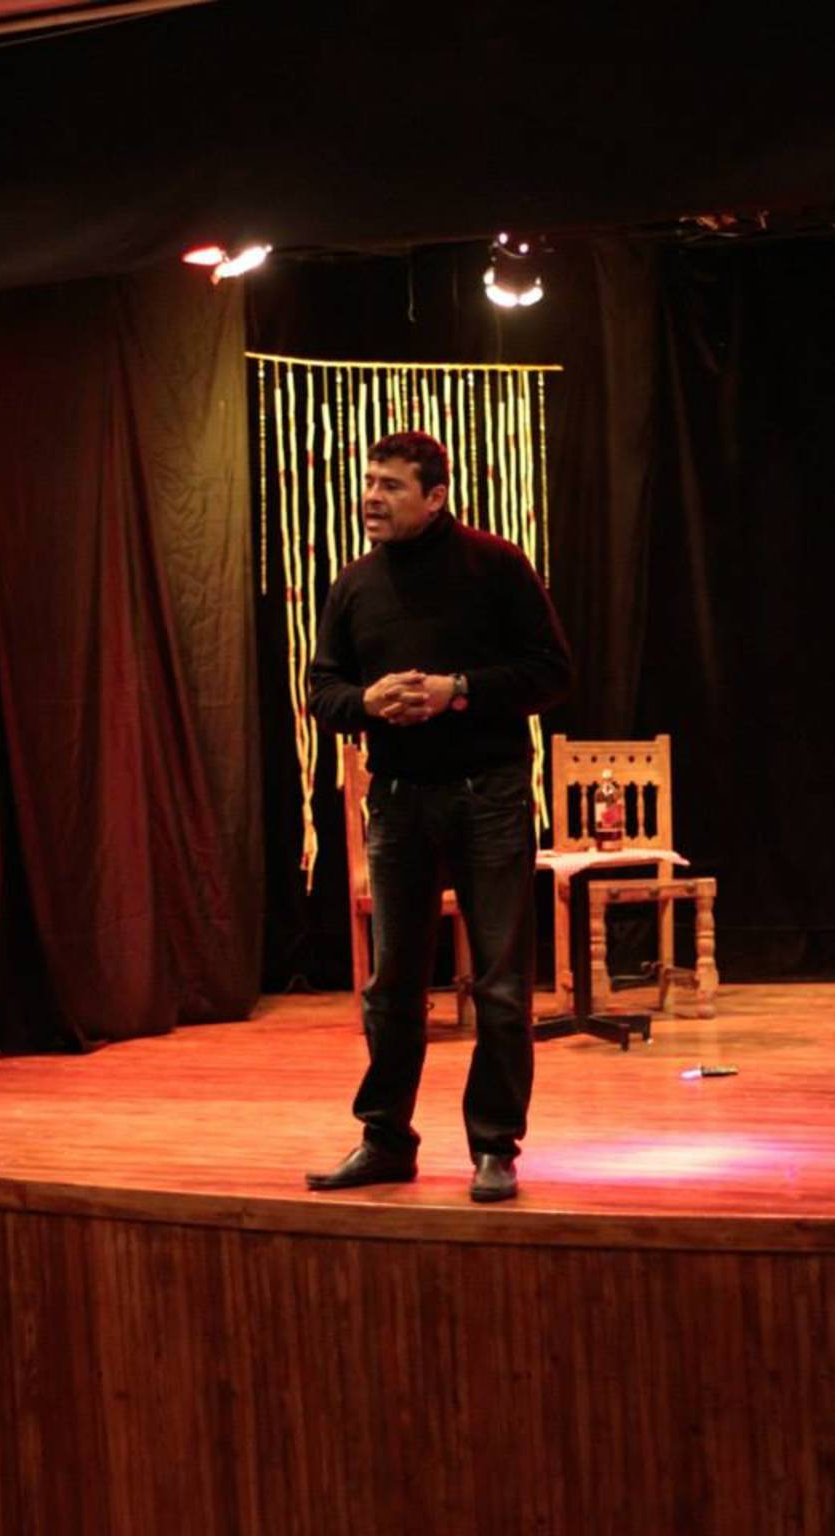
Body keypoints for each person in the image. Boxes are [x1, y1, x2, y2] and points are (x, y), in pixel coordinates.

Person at [305, 430, 572, 1202]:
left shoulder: (497, 565)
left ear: (435, 496)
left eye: (390, 485)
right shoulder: (354, 584)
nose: (371, 497)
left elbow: (552, 673)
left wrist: (459, 690)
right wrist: (366, 702)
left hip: (489, 794)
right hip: (396, 801)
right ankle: (385, 1141)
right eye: (368, 482)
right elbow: (322, 690)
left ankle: (494, 1147)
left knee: (500, 984)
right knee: (392, 985)